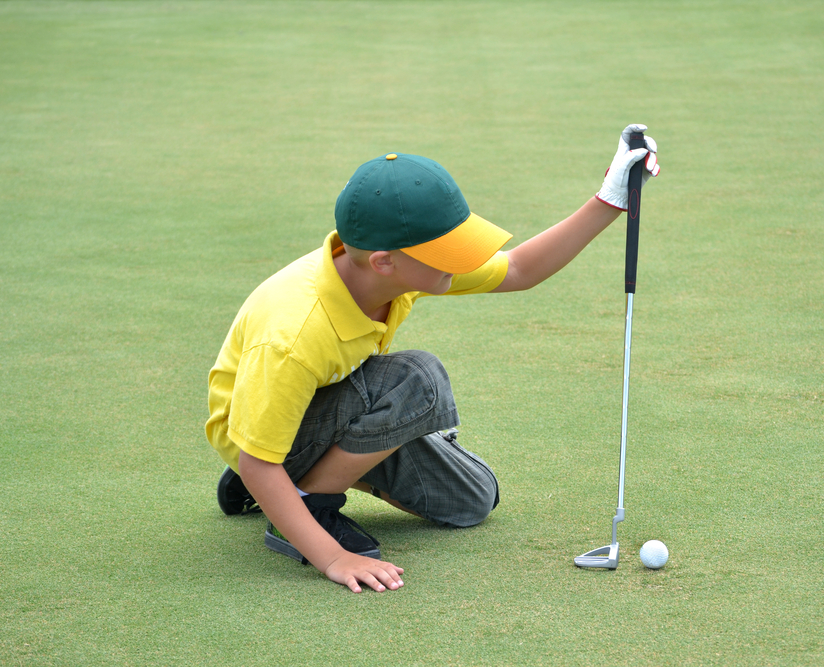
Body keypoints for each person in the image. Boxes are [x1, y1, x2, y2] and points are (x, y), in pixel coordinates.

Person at [205, 124, 659, 594]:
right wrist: (332, 557)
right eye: (446, 250)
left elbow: (519, 269)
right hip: (257, 446)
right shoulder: (292, 335)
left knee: (471, 498)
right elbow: (256, 460)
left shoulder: (395, 273)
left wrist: (610, 199)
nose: (460, 259)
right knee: (418, 379)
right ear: (384, 261)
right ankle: (303, 502)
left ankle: (295, 481)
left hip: (321, 414)